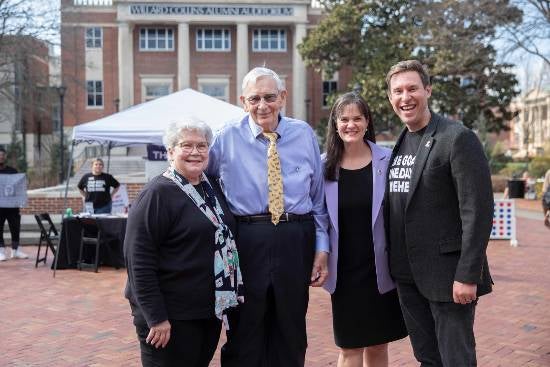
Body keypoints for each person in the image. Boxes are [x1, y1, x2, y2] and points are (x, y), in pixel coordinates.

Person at [207, 67, 329, 367]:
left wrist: (322, 247)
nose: (263, 105)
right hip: (247, 238)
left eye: (270, 97)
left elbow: (318, 198)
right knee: (245, 324)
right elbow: (205, 181)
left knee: (291, 326)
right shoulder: (225, 137)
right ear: (243, 101)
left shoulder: (303, 134)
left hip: (295, 235)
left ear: (283, 97)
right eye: (254, 98)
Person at [384, 59, 494, 366]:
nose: (405, 97)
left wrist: (468, 274)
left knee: (456, 359)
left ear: (428, 90)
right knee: (427, 359)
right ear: (391, 98)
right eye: (397, 91)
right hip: (407, 276)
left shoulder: (456, 138)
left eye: (412, 88)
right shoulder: (400, 143)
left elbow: (478, 210)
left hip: (449, 278)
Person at [124, 119, 243, 367]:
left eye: (202, 145)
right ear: (170, 151)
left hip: (207, 311)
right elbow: (138, 261)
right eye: (186, 145)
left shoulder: (210, 189)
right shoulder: (157, 194)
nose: (195, 152)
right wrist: (156, 318)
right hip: (170, 317)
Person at [323, 92, 407, 367]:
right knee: (350, 348)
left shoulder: (389, 159)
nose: (351, 124)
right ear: (335, 124)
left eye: (357, 118)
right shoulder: (324, 165)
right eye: (344, 119)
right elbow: (317, 216)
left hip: (380, 268)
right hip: (345, 272)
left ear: (367, 121)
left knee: (378, 344)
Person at [0, 148, 28, 261]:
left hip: (12, 206)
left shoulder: (12, 171)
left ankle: (15, 251)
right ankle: (1, 251)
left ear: (5, 157)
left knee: (15, 228)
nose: (1, 157)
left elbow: (19, 187)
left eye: (2, 155)